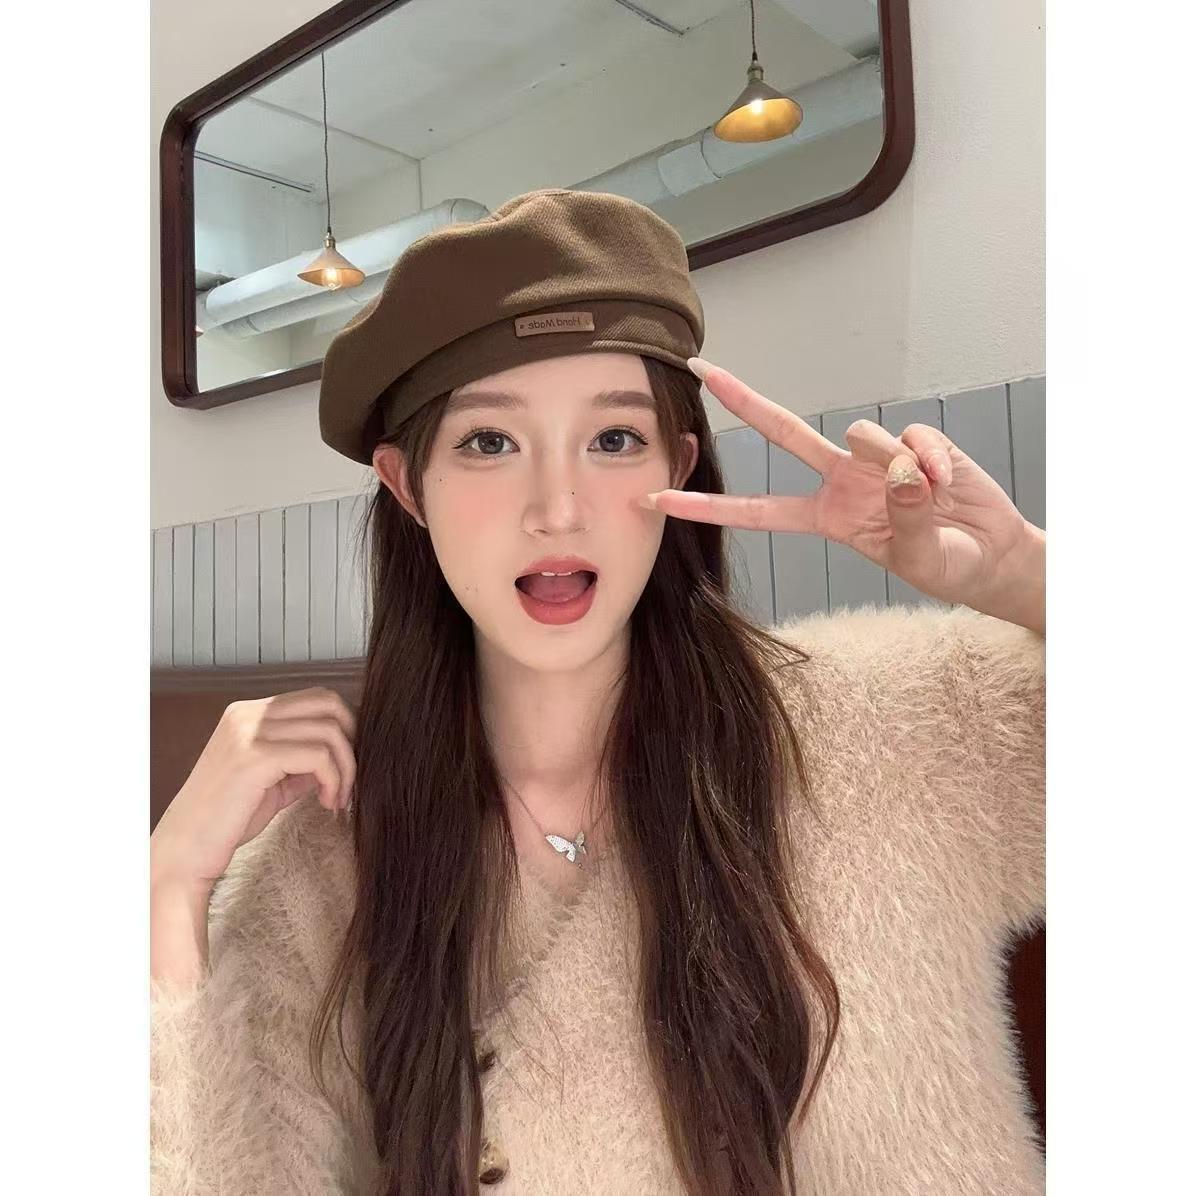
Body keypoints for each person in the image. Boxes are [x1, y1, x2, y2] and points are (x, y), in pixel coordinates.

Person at [150, 188, 1046, 1194]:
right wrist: (168, 884)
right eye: (489, 442)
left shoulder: (889, 728)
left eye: (614, 438)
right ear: (407, 487)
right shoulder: (327, 857)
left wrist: (1021, 575)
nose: (559, 509)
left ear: (679, 465)